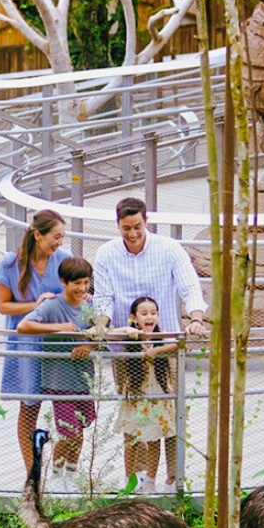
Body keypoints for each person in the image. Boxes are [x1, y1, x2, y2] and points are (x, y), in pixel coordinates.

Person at [92, 197, 207, 492]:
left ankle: (172, 479)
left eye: (137, 227)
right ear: (118, 225)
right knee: (134, 414)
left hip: (165, 348)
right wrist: (101, 326)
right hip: (127, 351)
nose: (132, 233)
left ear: (146, 222)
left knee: (171, 412)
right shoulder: (106, 254)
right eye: (126, 228)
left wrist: (195, 318)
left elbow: (190, 286)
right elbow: (103, 298)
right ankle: (139, 481)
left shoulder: (169, 248)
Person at [0, 209, 69, 472]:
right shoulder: (11, 263)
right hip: (26, 345)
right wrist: (34, 304)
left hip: (57, 344)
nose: (59, 242)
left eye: (62, 236)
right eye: (56, 236)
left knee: (66, 409)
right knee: (28, 409)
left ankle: (59, 470)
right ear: (38, 235)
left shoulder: (64, 259)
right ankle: (32, 473)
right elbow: (3, 306)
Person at [17, 257, 106, 478]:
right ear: (64, 282)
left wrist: (89, 345)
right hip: (59, 381)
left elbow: (102, 335)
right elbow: (23, 325)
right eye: (77, 283)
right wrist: (60, 328)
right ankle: (56, 476)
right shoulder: (51, 305)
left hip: (83, 379)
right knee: (69, 431)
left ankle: (71, 475)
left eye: (86, 283)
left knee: (81, 428)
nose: (82, 288)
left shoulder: (90, 306)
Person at [115, 296, 179, 493]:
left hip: (157, 395)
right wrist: (127, 329)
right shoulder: (131, 338)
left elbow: (180, 343)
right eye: (144, 314)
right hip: (135, 397)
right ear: (134, 317)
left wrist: (157, 351)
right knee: (131, 440)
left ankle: (151, 481)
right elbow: (106, 335)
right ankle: (130, 480)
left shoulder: (162, 336)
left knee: (154, 440)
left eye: (153, 313)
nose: (149, 317)